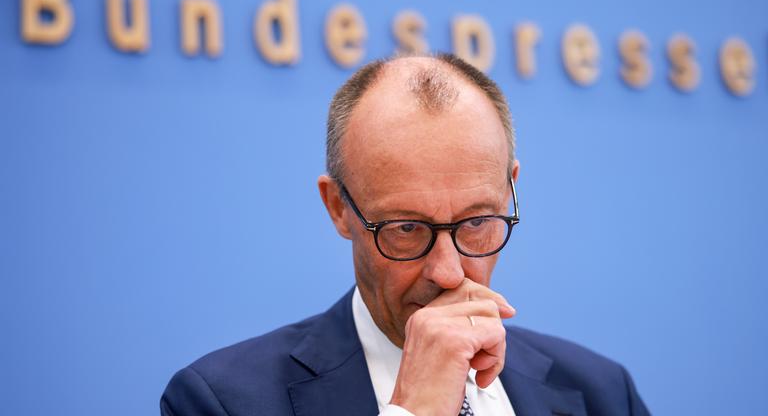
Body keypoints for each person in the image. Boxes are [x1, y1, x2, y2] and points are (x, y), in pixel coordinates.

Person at [160, 53, 650, 416]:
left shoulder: (602, 393)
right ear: (338, 208)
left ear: (509, 193)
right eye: (407, 229)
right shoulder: (220, 401)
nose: (449, 271)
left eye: (477, 222)